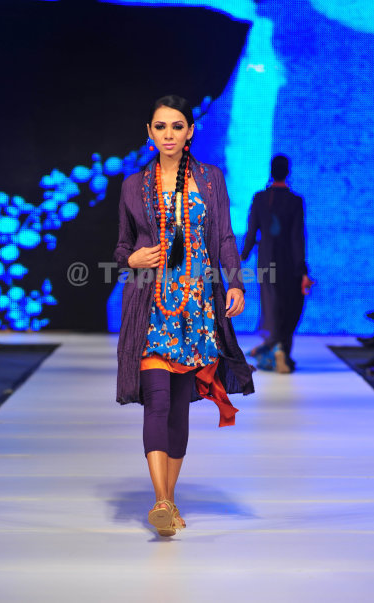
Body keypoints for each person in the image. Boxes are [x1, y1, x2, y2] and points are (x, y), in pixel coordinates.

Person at [114, 95, 254, 536]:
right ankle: (160, 500)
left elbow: (225, 237)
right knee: (156, 400)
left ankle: (169, 500)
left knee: (178, 407)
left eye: (177, 126)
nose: (169, 134)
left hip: (196, 309)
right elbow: (121, 246)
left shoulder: (210, 179)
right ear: (149, 132)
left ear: (190, 130)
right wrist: (131, 258)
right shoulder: (134, 185)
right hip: (151, 307)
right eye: (160, 126)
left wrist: (235, 282)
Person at [240, 154, 314, 373]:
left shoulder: (260, 198)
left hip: (266, 259)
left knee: (271, 304)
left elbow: (251, 232)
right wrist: (302, 269)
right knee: (289, 305)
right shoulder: (295, 200)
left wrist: (242, 256)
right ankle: (280, 351)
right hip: (289, 261)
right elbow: (297, 237)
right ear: (288, 171)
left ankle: (273, 348)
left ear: (271, 171)